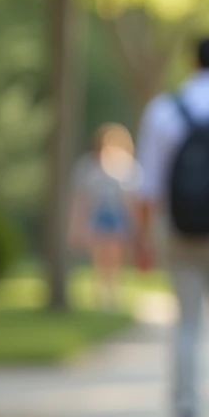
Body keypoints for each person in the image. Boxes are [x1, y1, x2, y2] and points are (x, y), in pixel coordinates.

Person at [136, 35, 209, 417]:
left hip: (177, 231)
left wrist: (144, 239)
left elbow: (148, 185)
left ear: (191, 64)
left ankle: (184, 413)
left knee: (186, 323)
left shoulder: (163, 110)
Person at [68, 122, 141, 310]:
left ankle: (113, 293)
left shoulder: (127, 166)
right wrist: (77, 225)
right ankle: (102, 293)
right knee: (100, 254)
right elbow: (81, 198)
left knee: (115, 254)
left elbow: (133, 199)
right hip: (97, 214)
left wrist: (136, 224)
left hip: (117, 216)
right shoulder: (89, 166)